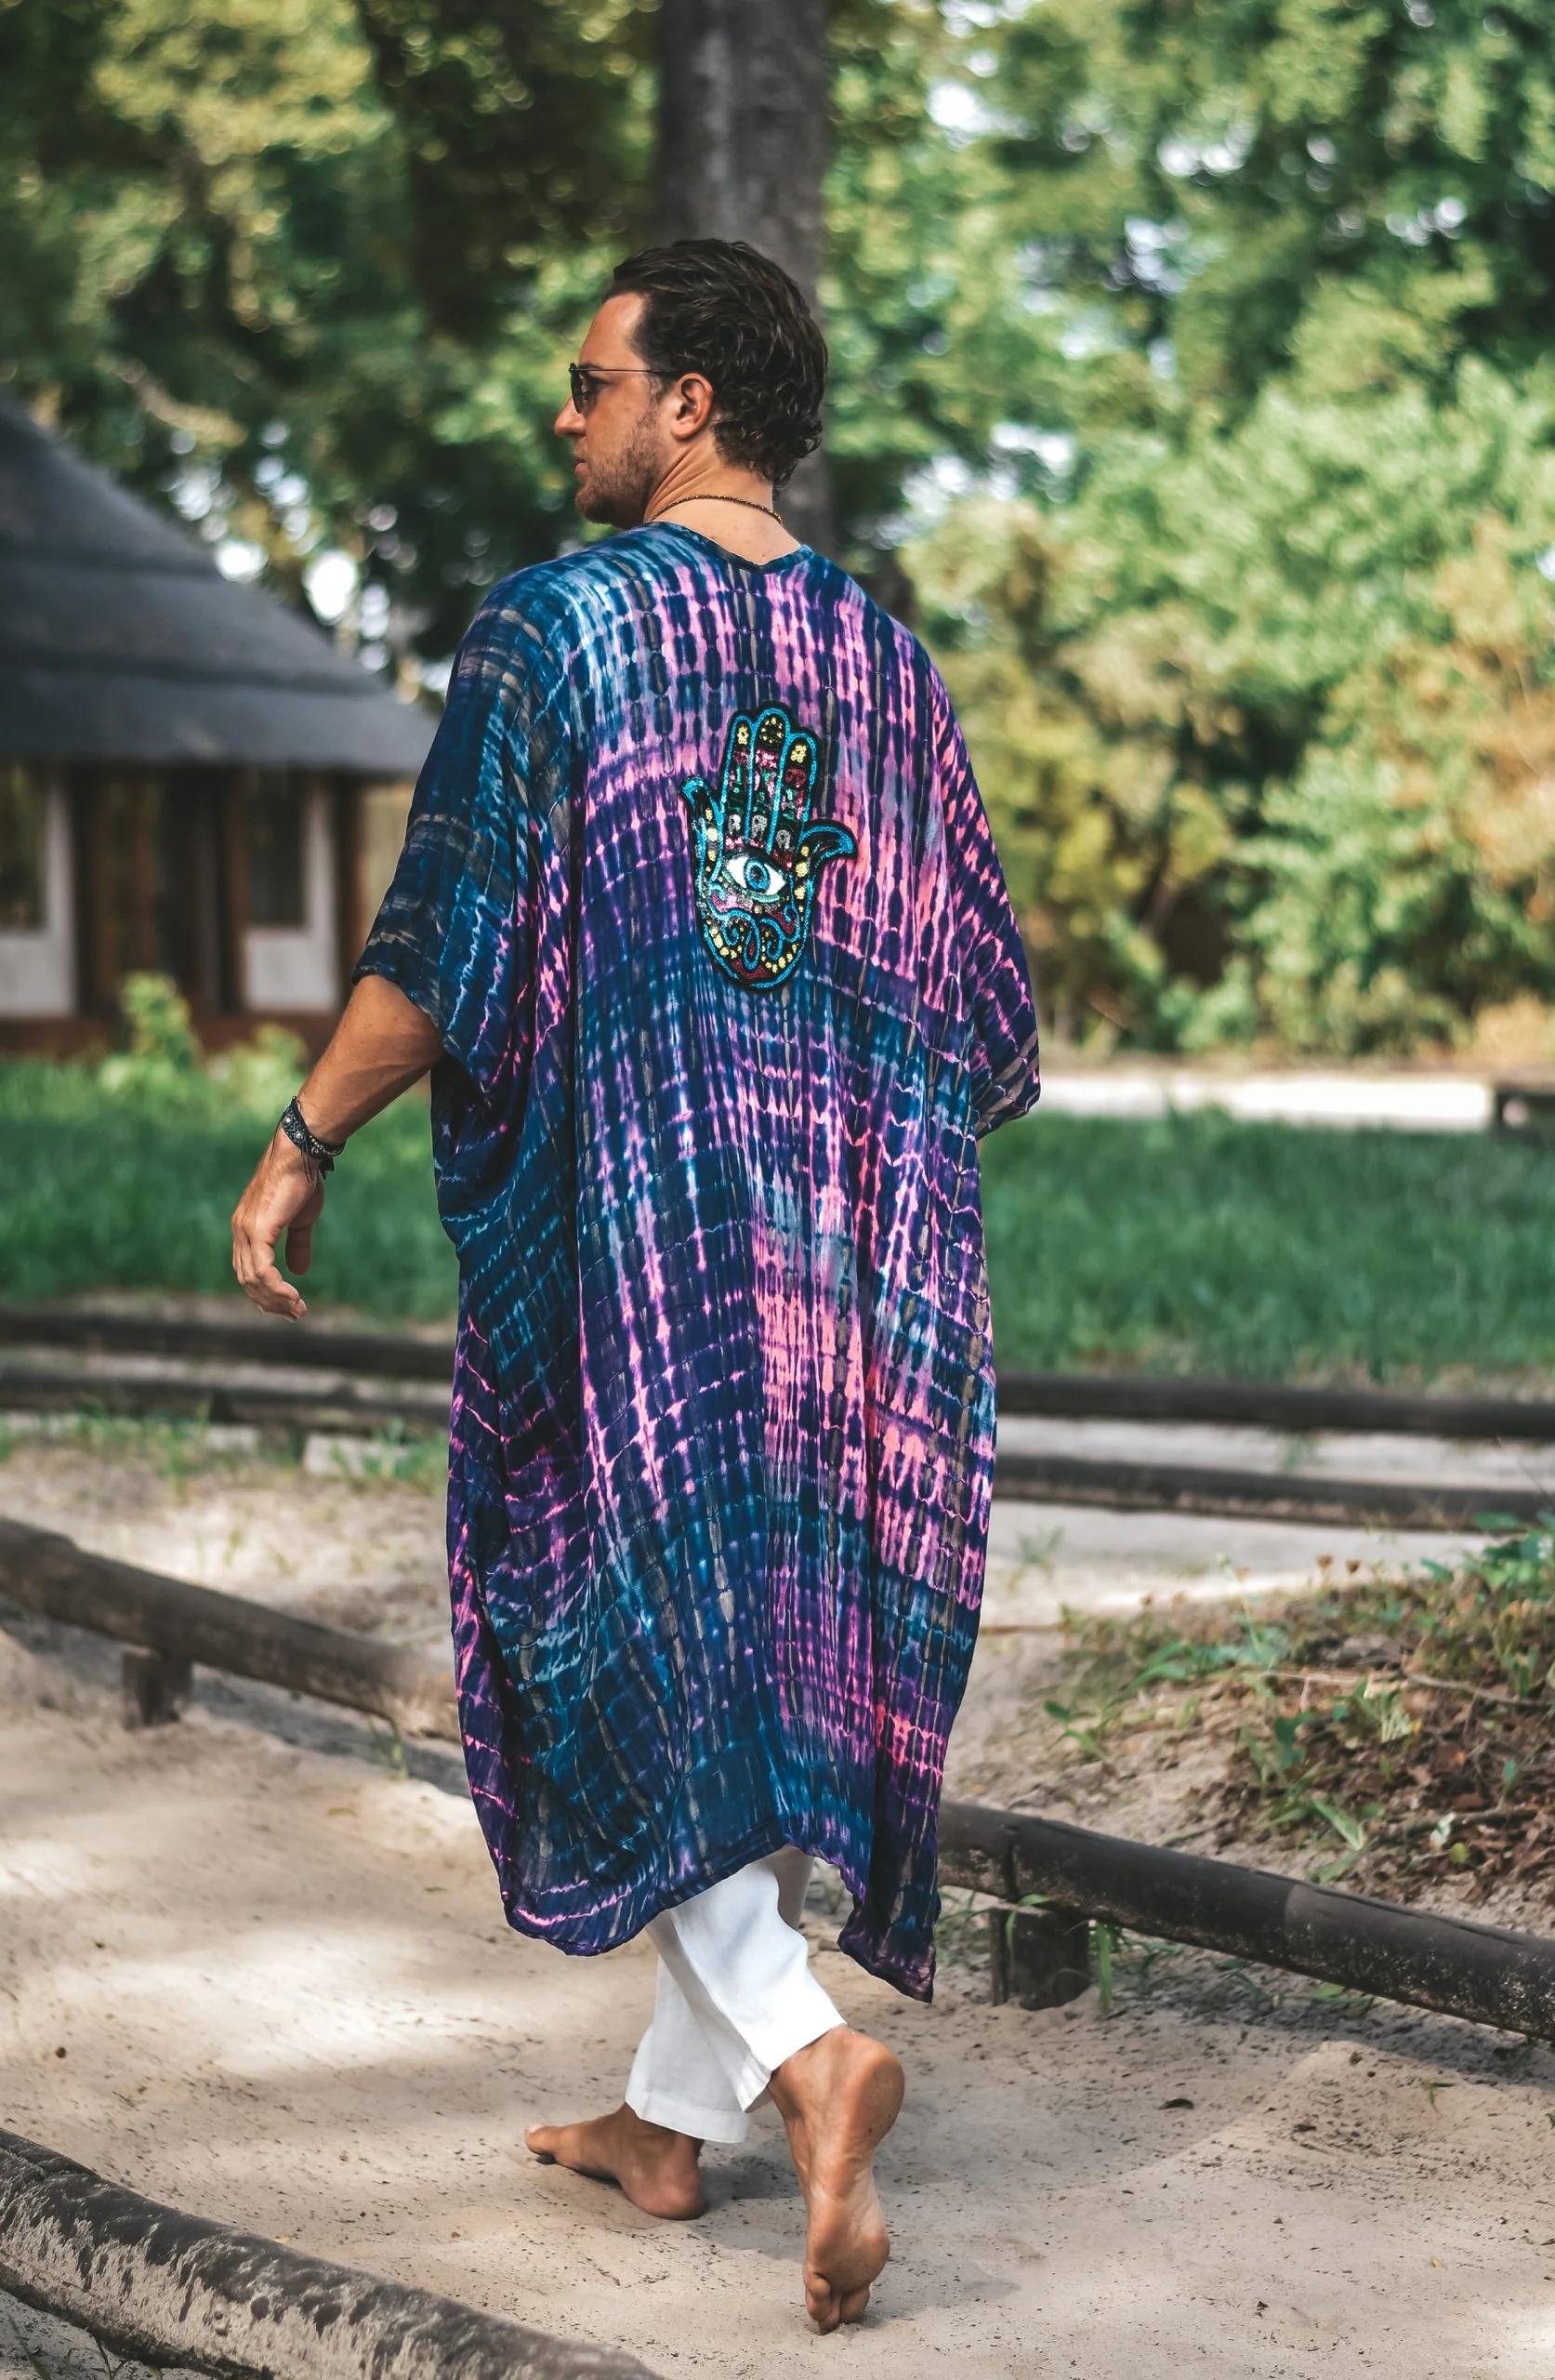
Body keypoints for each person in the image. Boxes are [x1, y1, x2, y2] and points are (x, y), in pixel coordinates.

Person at [231, 237, 1038, 2333]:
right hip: (844, 1254)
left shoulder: (556, 631)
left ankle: (800, 2049)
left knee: (595, 1619)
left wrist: (305, 1135)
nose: (564, 414)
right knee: (737, 1642)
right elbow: (972, 1005)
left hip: (646, 1238)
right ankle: (667, 2128)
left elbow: (444, 947)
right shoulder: (885, 664)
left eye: (589, 381)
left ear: (685, 402)